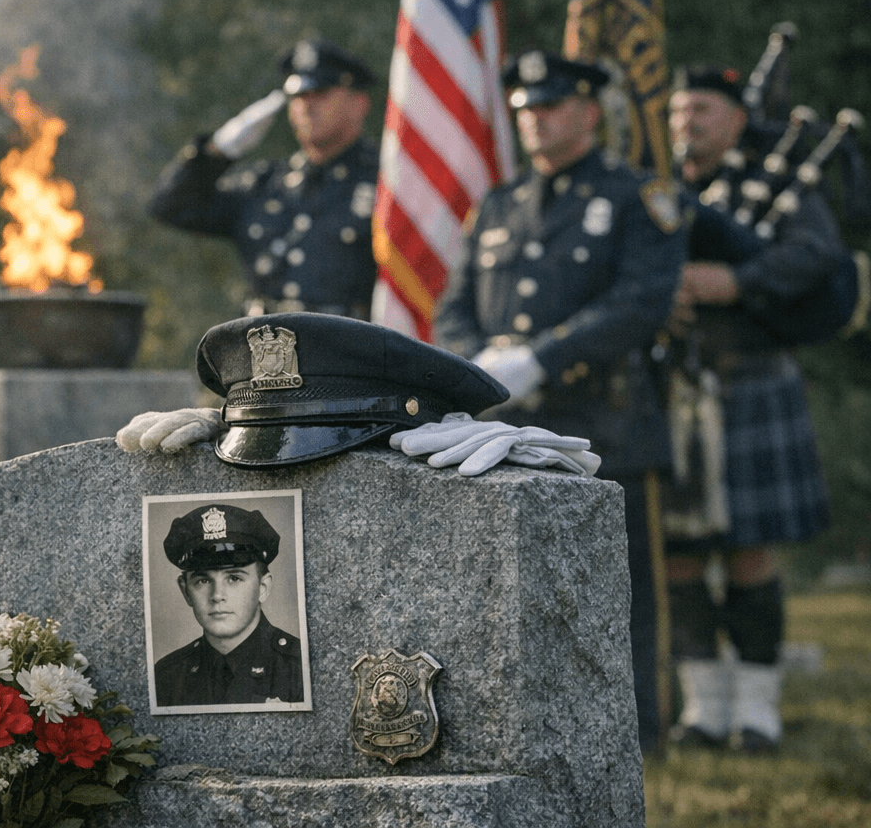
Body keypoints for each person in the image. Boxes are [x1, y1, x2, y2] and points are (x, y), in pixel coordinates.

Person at [431, 50, 687, 755]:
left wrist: (543, 358)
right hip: (503, 430)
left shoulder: (639, 197)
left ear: (588, 110)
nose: (535, 121)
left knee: (615, 590)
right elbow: (452, 307)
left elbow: (641, 303)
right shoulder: (499, 204)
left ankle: (636, 735)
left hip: (601, 423)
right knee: (506, 586)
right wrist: (475, 363)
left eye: (549, 107)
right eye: (525, 111)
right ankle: (521, 731)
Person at [664, 65, 838, 752]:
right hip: (675, 381)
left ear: (738, 117)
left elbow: (816, 257)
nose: (688, 122)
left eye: (703, 108)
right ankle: (705, 708)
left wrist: (735, 279)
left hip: (751, 376)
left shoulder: (779, 181)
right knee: (679, 553)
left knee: (748, 552)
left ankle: (758, 708)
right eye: (679, 111)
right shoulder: (658, 187)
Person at [149, 37, 381, 319]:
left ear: (359, 103)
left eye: (320, 93)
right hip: (265, 353)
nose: (307, 106)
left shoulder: (386, 183)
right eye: (298, 97)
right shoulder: (267, 184)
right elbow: (170, 206)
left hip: (351, 352)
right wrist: (218, 149)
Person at [153, 503, 304, 706]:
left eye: (234, 578)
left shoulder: (300, 667)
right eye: (203, 581)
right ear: (185, 591)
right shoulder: (166, 677)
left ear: (263, 587)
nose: (217, 596)